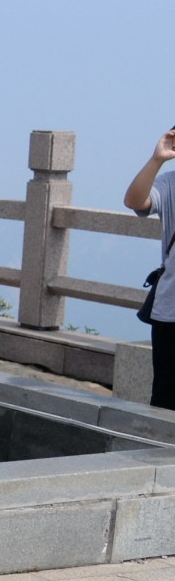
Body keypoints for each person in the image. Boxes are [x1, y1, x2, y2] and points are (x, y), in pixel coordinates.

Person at [124, 127, 175, 407]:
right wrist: (157, 159)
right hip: (171, 310)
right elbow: (134, 201)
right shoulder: (170, 184)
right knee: (167, 400)